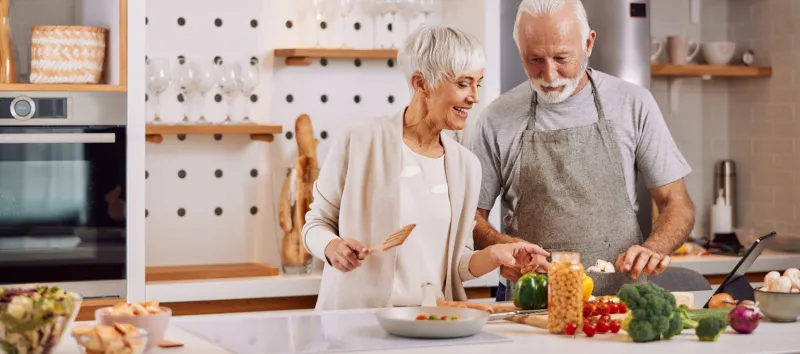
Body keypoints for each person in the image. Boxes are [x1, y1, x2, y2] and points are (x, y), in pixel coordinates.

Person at [302, 25, 550, 311]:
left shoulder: (465, 165)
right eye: (462, 83)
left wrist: (498, 254)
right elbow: (315, 224)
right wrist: (332, 248)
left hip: (431, 324)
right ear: (421, 83)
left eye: (477, 84)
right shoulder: (360, 139)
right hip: (358, 323)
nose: (474, 97)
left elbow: (458, 265)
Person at [469, 0, 696, 300]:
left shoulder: (634, 104)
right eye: (534, 59)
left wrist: (654, 249)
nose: (549, 75)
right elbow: (469, 217)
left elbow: (677, 203)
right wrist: (502, 248)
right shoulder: (496, 118)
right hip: (532, 306)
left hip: (621, 307)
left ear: (588, 43)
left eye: (562, 57)